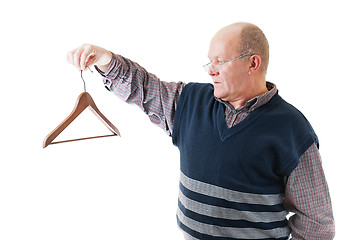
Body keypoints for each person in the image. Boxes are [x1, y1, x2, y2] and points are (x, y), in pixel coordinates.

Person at [67, 22, 335, 240]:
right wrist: (104, 59)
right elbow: (144, 88)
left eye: (219, 61)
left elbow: (316, 224)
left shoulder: (292, 128)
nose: (211, 71)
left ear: (253, 64)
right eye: (209, 62)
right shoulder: (189, 101)